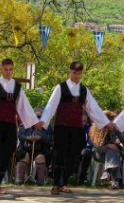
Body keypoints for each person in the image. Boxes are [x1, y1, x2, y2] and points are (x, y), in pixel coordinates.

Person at [39, 61, 111, 195]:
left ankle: (64, 183)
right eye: (74, 73)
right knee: (59, 154)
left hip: (76, 127)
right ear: (70, 72)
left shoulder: (84, 90)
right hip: (61, 126)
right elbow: (51, 105)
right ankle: (56, 184)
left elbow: (93, 108)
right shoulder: (60, 88)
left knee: (73, 156)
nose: (76, 76)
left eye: (79, 73)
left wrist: (105, 122)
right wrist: (43, 122)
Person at [0, 58, 40, 197]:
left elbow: (24, 106)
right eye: (6, 69)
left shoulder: (17, 86)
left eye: (10, 69)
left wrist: (34, 121)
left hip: (10, 125)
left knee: (6, 154)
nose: (8, 72)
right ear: (1, 69)